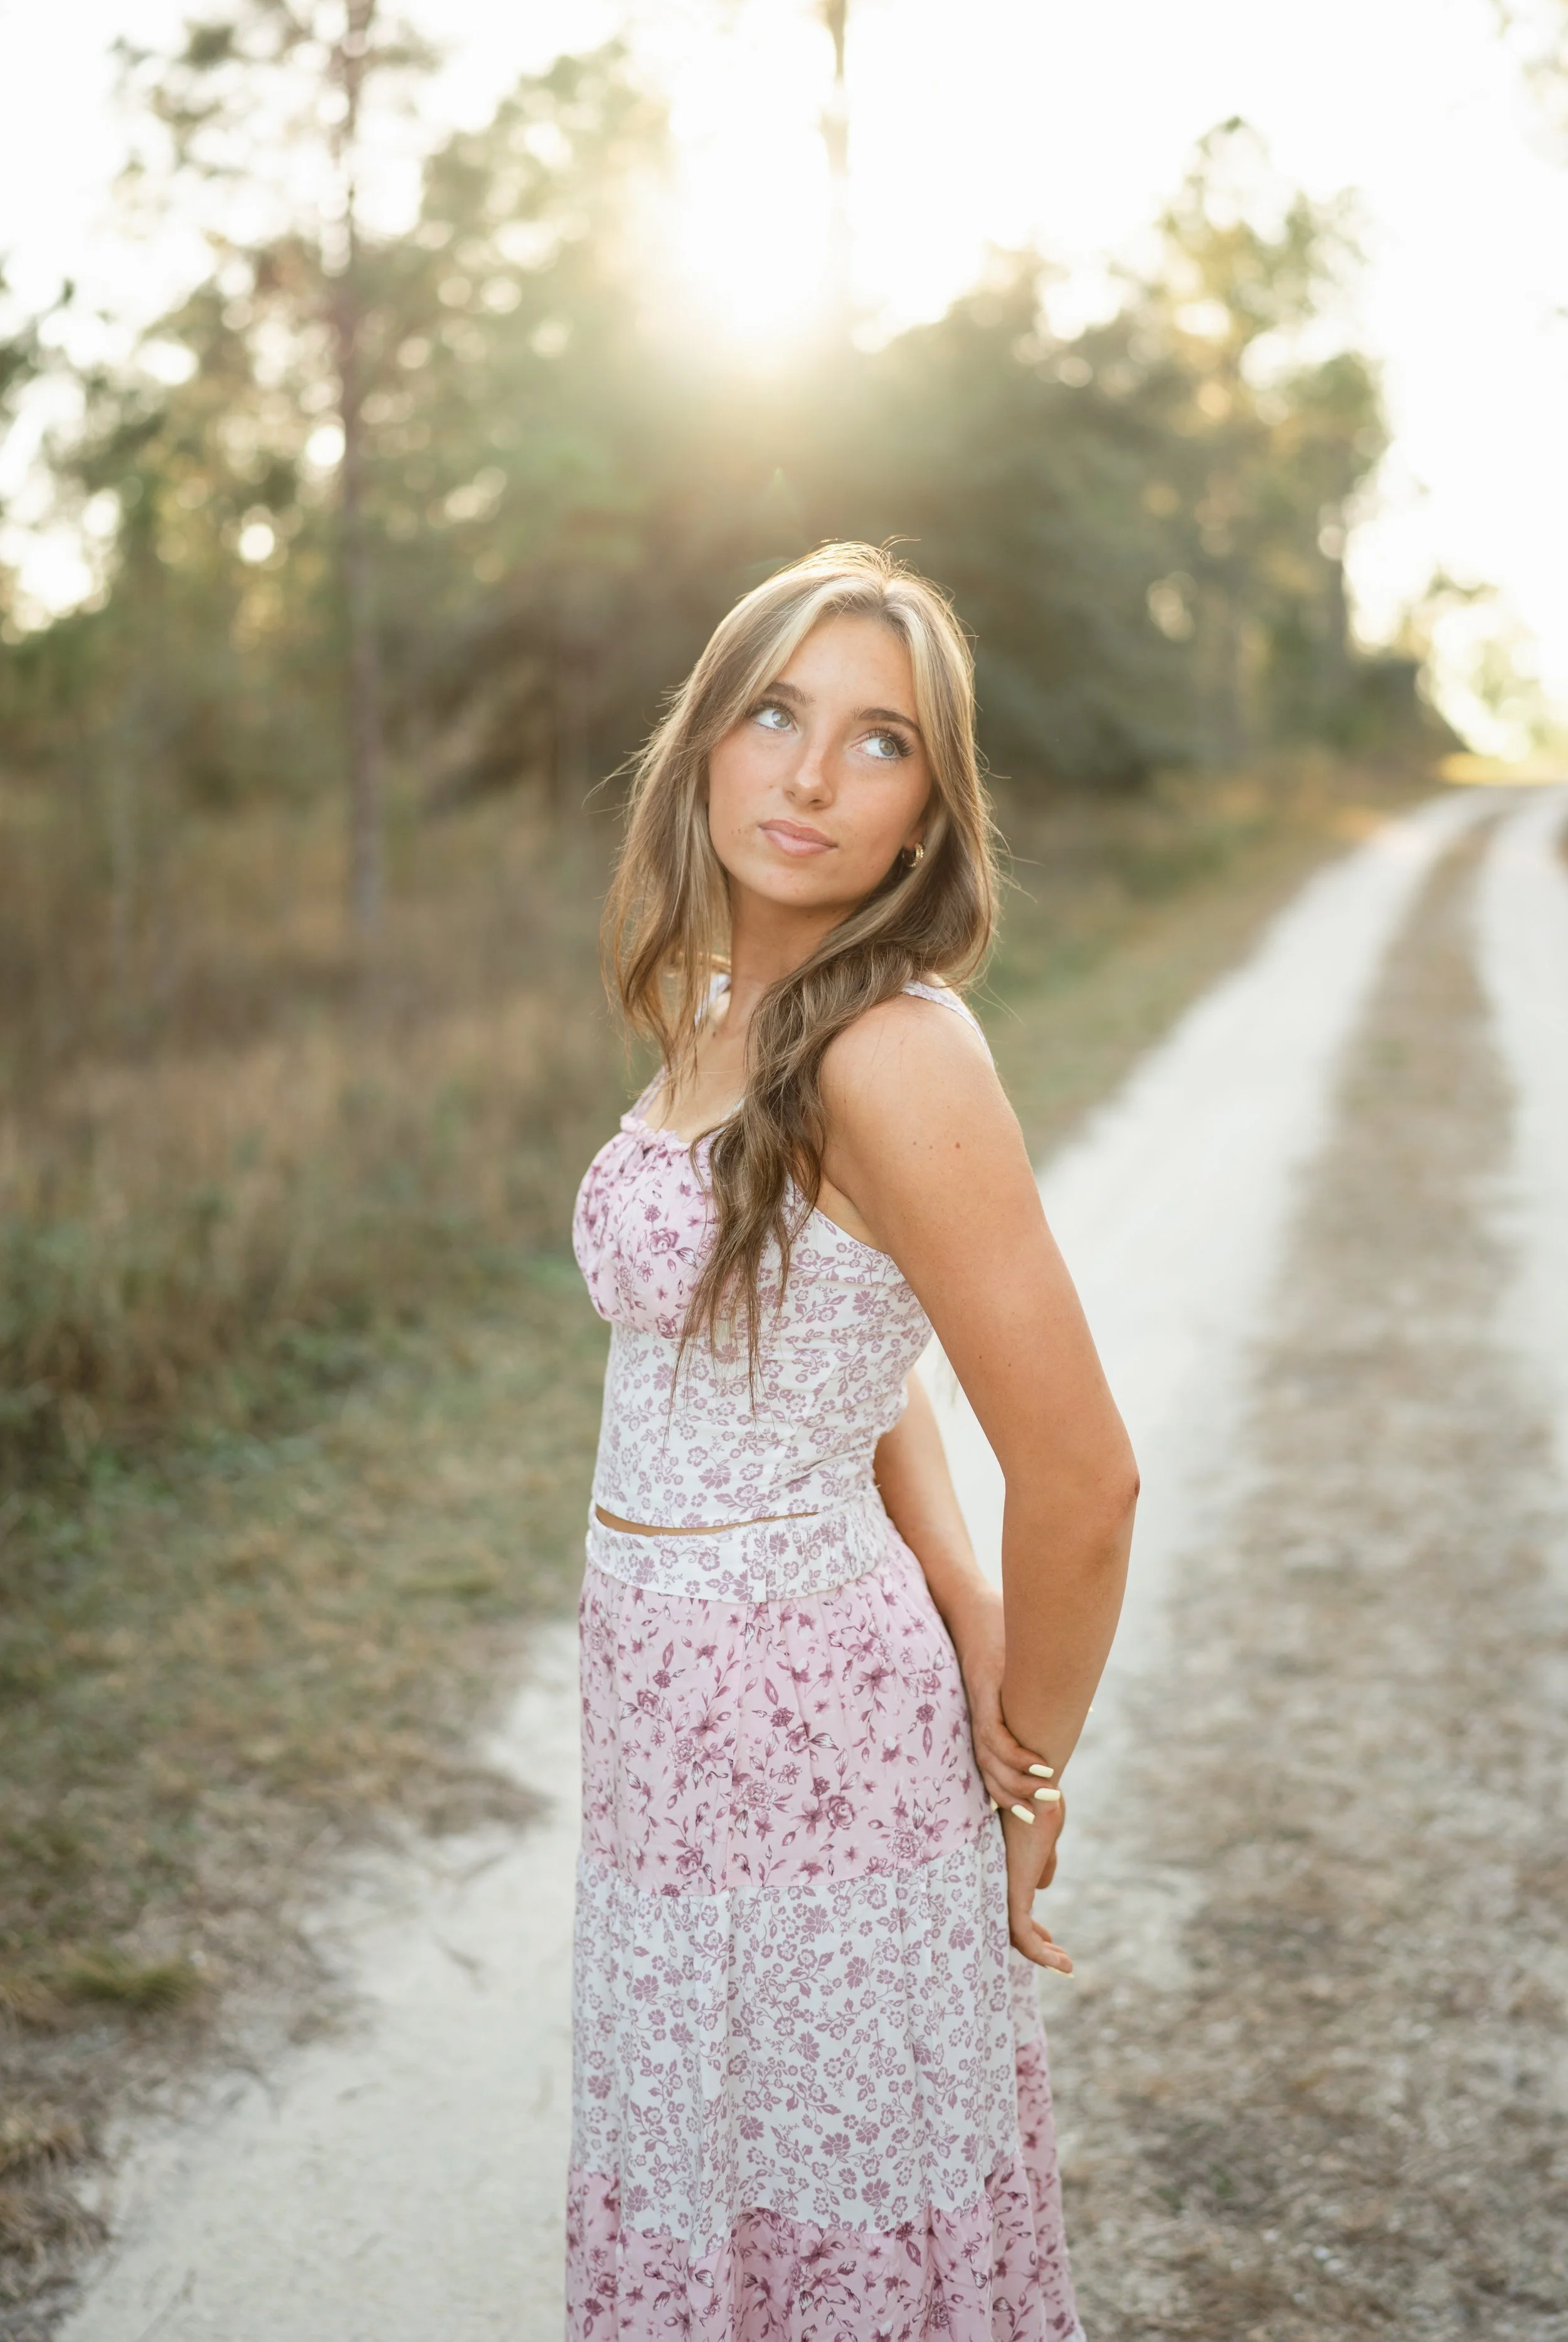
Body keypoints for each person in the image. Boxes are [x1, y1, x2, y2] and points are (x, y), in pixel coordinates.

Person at [568, 542, 1137, 2339]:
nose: (808, 775)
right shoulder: (727, 1004)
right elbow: (842, 1336)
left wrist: (1023, 1759)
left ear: (925, 813)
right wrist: (957, 1578)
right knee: (716, 2196)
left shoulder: (894, 1051)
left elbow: (1087, 1474)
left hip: (814, 1738)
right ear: (708, 745)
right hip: (667, 1742)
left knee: (835, 2229)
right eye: (775, 713)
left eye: (875, 741)